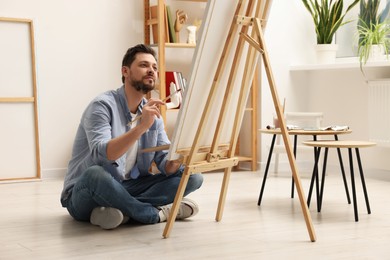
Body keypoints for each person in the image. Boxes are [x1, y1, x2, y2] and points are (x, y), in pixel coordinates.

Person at [60, 44, 203, 230]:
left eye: (154, 67)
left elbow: (165, 165)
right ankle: (156, 214)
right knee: (95, 174)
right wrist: (141, 127)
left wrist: (181, 151)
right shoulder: (101, 106)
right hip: (86, 191)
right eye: (144, 65)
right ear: (125, 71)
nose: (151, 71)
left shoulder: (153, 113)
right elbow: (104, 155)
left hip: (128, 186)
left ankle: (121, 210)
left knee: (193, 177)